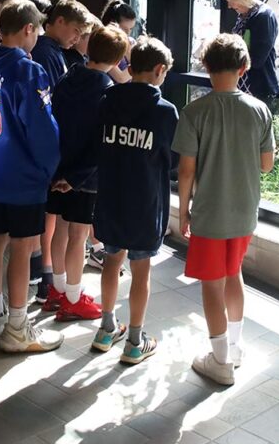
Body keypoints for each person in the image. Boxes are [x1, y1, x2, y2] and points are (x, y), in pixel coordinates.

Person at [172, 33, 275, 386]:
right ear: (244, 67)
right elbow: (267, 165)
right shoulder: (259, 109)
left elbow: (186, 170)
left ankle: (220, 361)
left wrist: (184, 210)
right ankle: (236, 346)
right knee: (234, 275)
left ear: (206, 67)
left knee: (211, 286)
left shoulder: (194, 112)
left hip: (211, 214)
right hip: (244, 211)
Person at [0, 0, 64, 353]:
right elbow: (42, 128)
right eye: (38, 30)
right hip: (24, 174)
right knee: (24, 248)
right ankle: (16, 327)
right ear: (28, 29)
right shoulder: (28, 70)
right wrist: (51, 167)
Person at [92, 37, 177, 364]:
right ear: (159, 70)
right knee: (141, 272)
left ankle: (106, 328)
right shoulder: (164, 111)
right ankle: (135, 341)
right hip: (145, 202)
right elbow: (169, 159)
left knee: (112, 262)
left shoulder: (107, 100)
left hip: (111, 195)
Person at [44, 25, 131, 321]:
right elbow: (99, 143)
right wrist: (77, 177)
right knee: (78, 236)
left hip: (57, 166)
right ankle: (72, 297)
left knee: (60, 231)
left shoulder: (68, 75)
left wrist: (59, 170)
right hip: (85, 176)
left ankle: (56, 290)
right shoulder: (106, 90)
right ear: (118, 59)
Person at [30, 0, 89, 301]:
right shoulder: (46, 53)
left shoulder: (53, 51)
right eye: (76, 31)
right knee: (50, 217)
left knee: (53, 217)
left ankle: (47, 275)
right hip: (49, 147)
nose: (78, 38)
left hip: (51, 146)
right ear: (60, 22)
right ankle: (45, 276)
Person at [220, 0, 279, 103]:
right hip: (241, 87)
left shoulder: (264, 16)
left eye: (231, 0)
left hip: (257, 90)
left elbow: (257, 59)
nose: (229, 5)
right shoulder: (244, 15)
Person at [99, 0, 138, 85]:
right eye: (124, 29)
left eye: (131, 29)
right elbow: (120, 77)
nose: (128, 33)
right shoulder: (106, 44)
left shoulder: (132, 42)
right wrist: (127, 51)